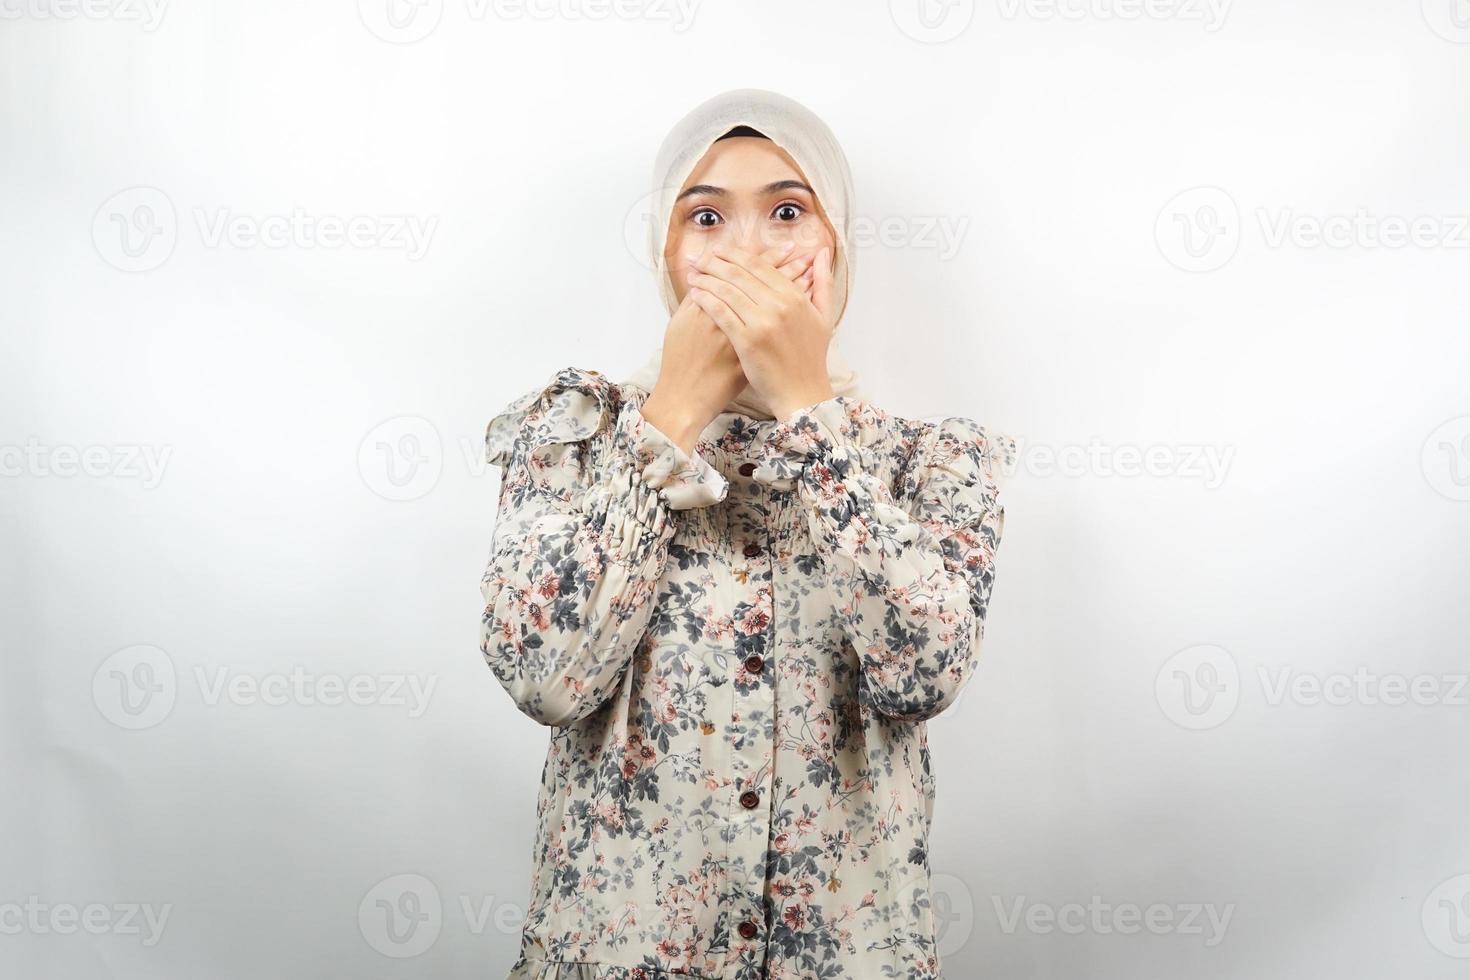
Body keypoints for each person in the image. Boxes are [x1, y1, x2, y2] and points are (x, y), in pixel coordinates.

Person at [480, 87, 1016, 980]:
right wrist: (673, 415)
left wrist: (808, 411)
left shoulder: (926, 467)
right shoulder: (575, 436)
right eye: (706, 218)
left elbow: (922, 674)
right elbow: (544, 679)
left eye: (787, 212)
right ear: (667, 252)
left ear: (836, 245)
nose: (749, 253)